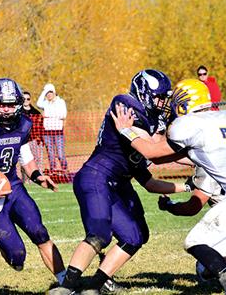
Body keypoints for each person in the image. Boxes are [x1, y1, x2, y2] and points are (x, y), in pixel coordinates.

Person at [111, 78, 226, 295]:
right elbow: (166, 157)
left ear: (184, 102)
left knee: (194, 242)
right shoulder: (224, 118)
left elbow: (151, 152)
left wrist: (126, 131)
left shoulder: (187, 125)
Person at [50, 70, 190, 295]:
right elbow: (155, 147)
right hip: (97, 176)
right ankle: (66, 287)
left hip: (119, 184)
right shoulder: (124, 103)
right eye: (160, 96)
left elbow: (151, 180)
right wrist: (191, 153)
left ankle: (95, 285)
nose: (163, 102)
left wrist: (194, 171)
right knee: (99, 234)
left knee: (136, 235)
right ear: (144, 93)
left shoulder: (151, 124)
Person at [0, 78, 67, 285]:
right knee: (17, 257)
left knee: (40, 232)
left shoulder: (24, 124)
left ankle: (65, 283)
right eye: (1, 104)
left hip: (14, 188)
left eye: (10, 104)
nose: (6, 110)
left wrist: (37, 176)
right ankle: (7, 247)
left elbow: (25, 157)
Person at [158, 147, 226, 286]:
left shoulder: (210, 162)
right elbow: (185, 155)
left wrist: (169, 205)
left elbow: (192, 208)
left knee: (203, 266)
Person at [37, 83, 68, 172]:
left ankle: (65, 169)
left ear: (54, 92)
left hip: (58, 132)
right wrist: (44, 91)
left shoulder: (60, 102)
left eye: (50, 92)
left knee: (60, 154)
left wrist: (48, 115)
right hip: (47, 132)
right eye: (47, 93)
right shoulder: (45, 103)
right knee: (50, 154)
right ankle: (53, 170)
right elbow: (38, 103)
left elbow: (63, 115)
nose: (49, 94)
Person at [22, 91, 45, 173]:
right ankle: (27, 180)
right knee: (25, 161)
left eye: (28, 99)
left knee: (38, 159)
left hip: (35, 140)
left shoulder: (36, 112)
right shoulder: (18, 113)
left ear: (30, 100)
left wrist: (41, 139)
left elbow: (41, 126)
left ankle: (40, 177)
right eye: (24, 99)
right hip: (24, 141)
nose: (26, 100)